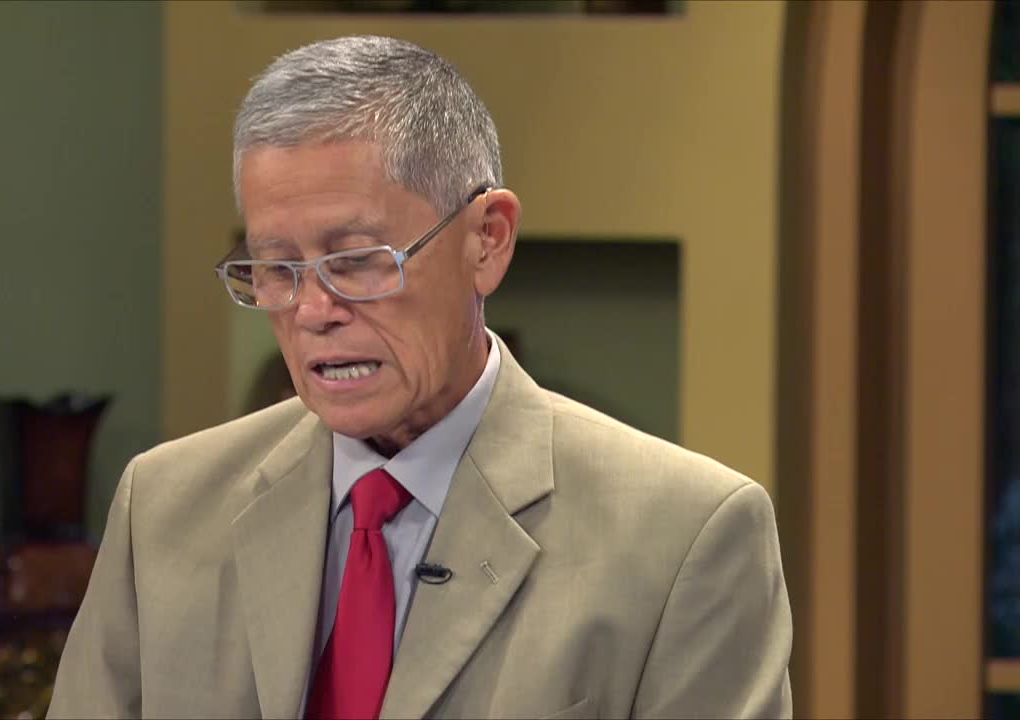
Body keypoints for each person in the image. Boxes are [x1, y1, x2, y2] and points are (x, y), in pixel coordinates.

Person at [49, 35, 791, 719]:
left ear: (487, 241)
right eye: (275, 268)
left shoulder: (687, 536)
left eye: (356, 261)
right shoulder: (165, 508)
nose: (312, 311)